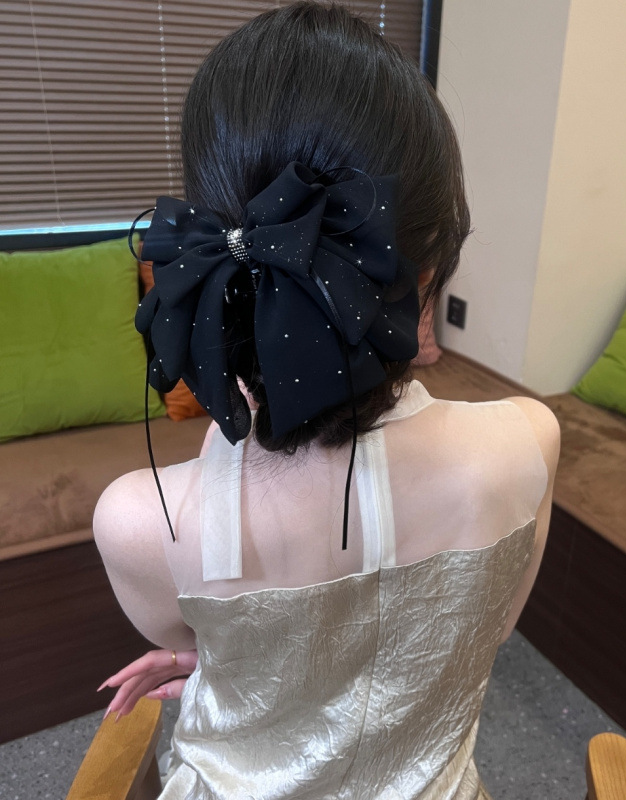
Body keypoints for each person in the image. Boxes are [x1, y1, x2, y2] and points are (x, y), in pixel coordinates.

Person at [93, 4, 559, 798]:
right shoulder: (527, 442)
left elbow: (216, 637)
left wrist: (227, 663)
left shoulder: (139, 521)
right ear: (424, 276)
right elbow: (487, 627)